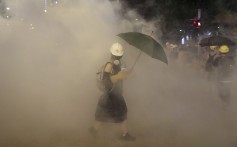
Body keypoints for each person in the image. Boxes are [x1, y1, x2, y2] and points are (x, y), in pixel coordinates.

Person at [89, 42, 136, 141]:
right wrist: (118, 76)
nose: (117, 58)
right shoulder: (109, 65)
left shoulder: (120, 65)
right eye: (116, 56)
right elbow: (106, 82)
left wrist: (127, 74)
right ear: (112, 55)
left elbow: (121, 77)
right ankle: (125, 135)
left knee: (102, 113)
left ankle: (94, 130)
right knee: (122, 113)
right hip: (111, 95)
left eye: (119, 56)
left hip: (114, 94)